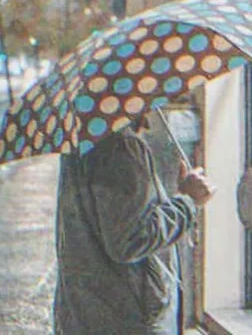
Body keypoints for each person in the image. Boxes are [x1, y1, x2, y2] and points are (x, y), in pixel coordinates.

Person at [53, 113, 217, 334]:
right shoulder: (121, 146)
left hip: (85, 310)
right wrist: (188, 201)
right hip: (124, 317)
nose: (148, 120)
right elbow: (130, 239)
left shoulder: (82, 138)